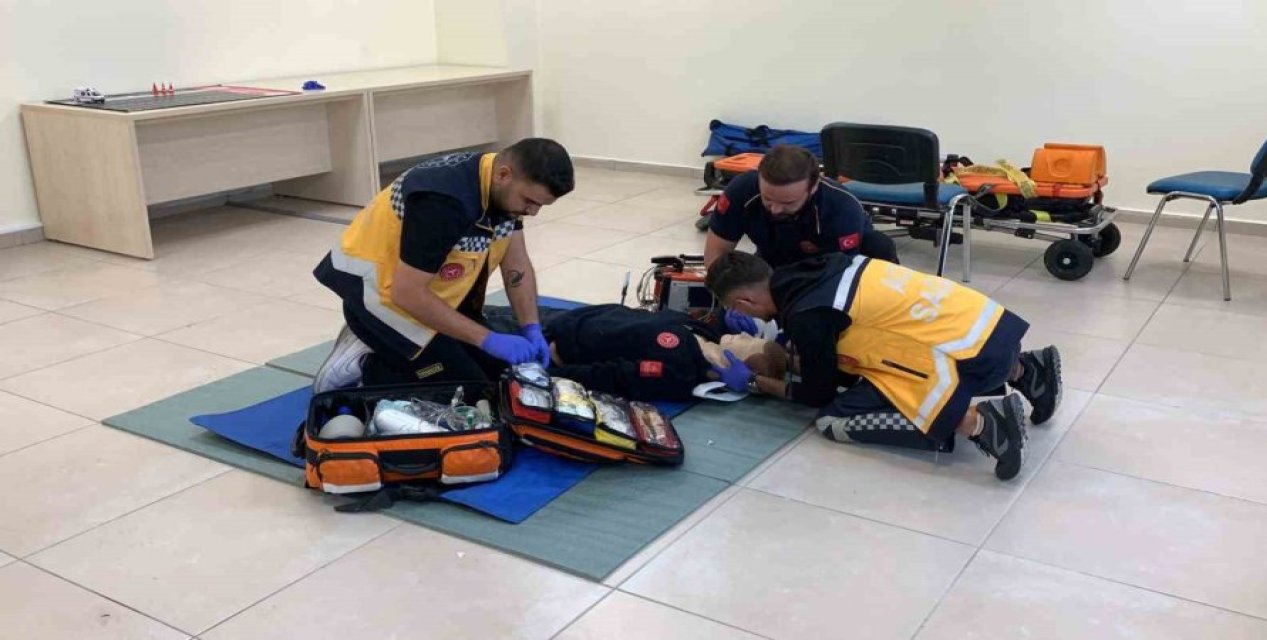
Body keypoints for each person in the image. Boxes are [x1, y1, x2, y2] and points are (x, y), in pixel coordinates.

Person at [704, 251, 1063, 481]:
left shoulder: (807, 315)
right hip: (993, 330)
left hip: (974, 361)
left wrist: (754, 382)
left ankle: (983, 423)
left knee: (832, 421)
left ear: (744, 301)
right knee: (867, 367)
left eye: (736, 308)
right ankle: (1029, 371)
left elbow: (817, 394)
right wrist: (789, 352)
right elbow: (839, 349)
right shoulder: (821, 266)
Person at [311, 139, 574, 392]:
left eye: (539, 205)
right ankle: (363, 365)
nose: (532, 212)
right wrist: (486, 339)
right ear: (504, 175)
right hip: (380, 302)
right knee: (468, 392)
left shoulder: (500, 185)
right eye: (529, 202)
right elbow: (406, 294)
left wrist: (531, 327)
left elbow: (516, 262)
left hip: (430, 296)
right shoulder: (444, 203)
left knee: (501, 376)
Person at [488, 304, 787, 401]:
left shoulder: (679, 371)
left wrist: (549, 371)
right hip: (561, 319)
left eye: (748, 343)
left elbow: (611, 376)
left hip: (546, 347)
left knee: (469, 327)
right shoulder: (708, 334)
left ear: (736, 363)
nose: (745, 335)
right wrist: (725, 315)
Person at [702, 144, 899, 270]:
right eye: (768, 199)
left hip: (832, 263)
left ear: (813, 188)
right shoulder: (741, 191)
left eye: (788, 203)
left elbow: (837, 278)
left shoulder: (841, 207)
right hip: (773, 256)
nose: (775, 209)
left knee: (879, 245)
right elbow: (715, 255)